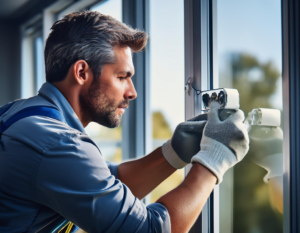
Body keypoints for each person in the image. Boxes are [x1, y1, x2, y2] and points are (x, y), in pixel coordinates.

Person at [0, 11, 249, 233]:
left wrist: (172, 153)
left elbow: (105, 183)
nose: (132, 92)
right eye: (122, 77)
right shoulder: (56, 143)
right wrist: (212, 161)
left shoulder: (19, 114)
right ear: (81, 73)